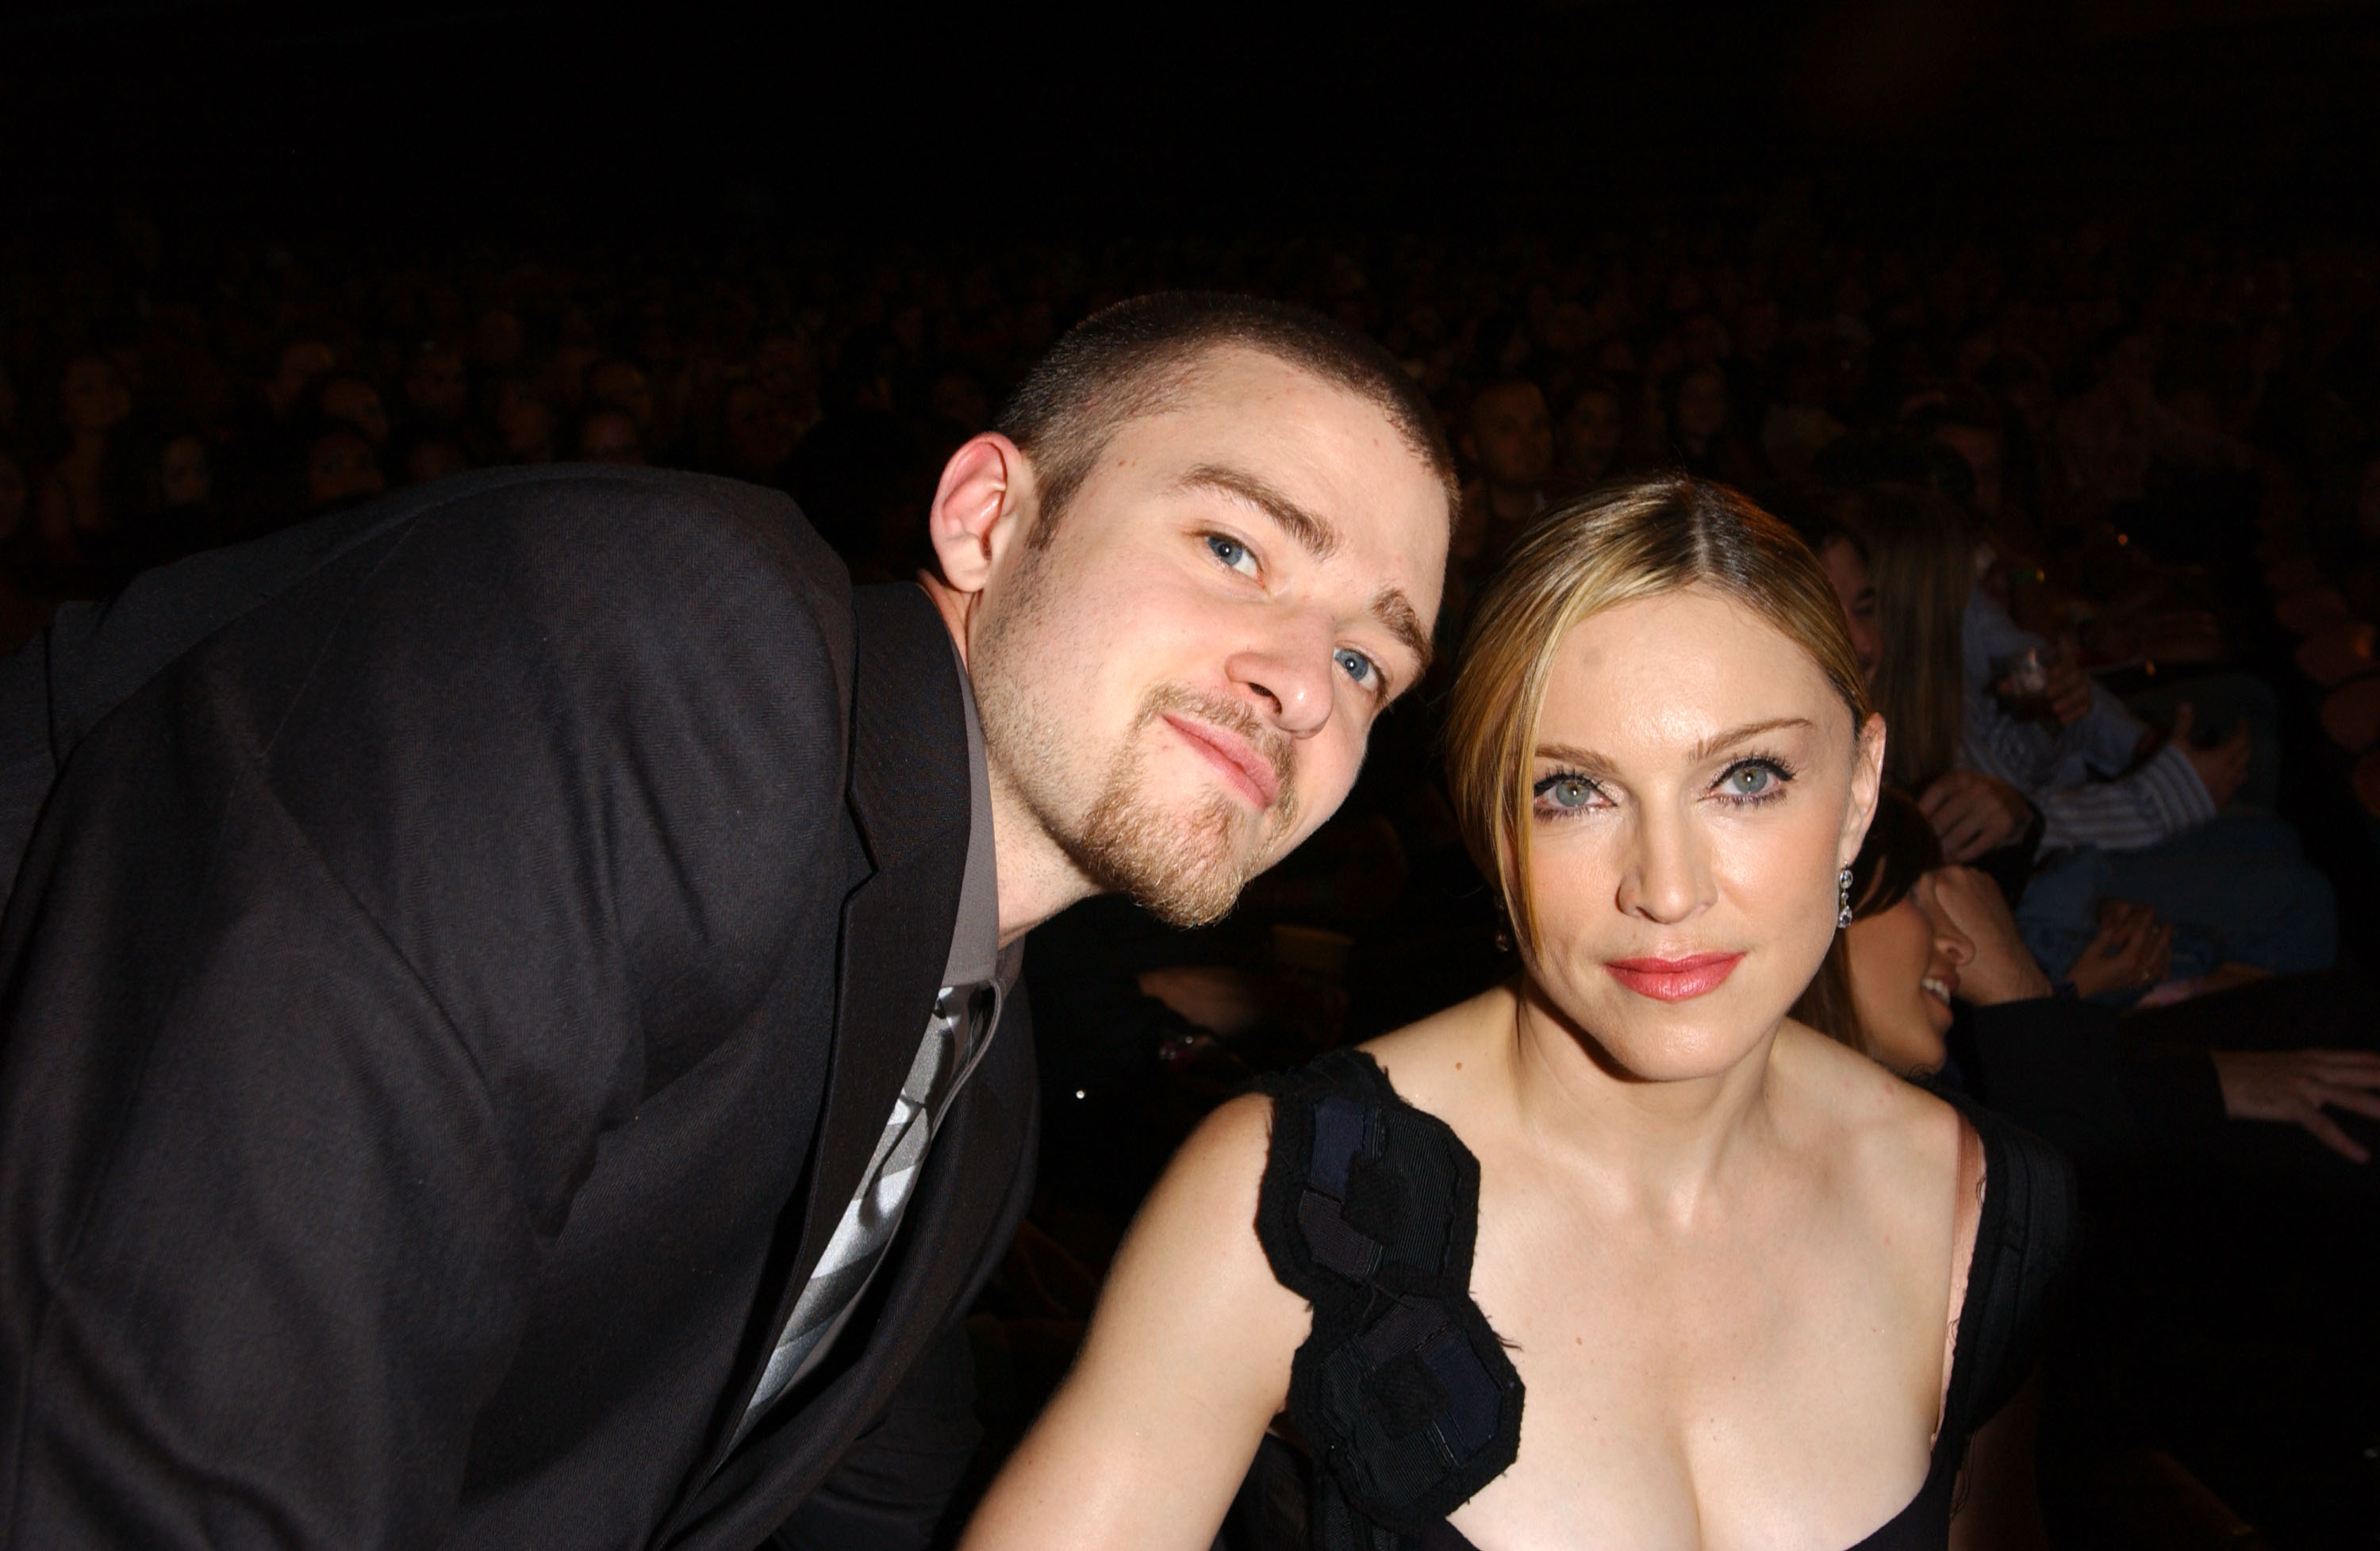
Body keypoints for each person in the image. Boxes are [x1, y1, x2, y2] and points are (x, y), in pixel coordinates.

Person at [0, 291, 1455, 1551]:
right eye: (1234, 549)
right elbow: (178, 1417)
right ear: (987, 518)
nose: (1302, 686)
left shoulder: (974, 1087)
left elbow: (885, 1508)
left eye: (1365, 662)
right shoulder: (671, 656)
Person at [962, 478, 2071, 1551]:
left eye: (1746, 779)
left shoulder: (1980, 1208)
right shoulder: (1283, 1199)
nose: (1668, 889)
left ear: (1861, 791)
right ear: (1490, 831)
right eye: (1572, 792)